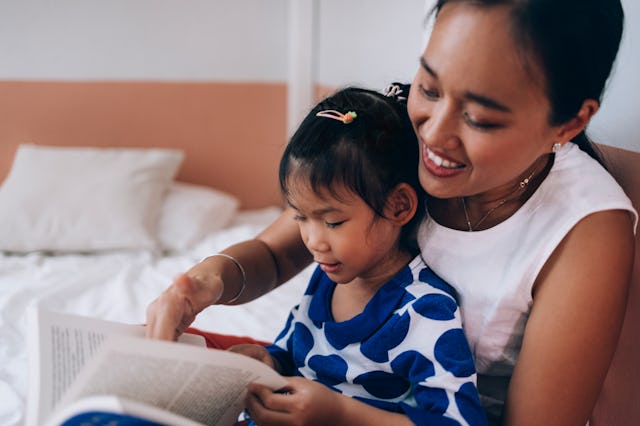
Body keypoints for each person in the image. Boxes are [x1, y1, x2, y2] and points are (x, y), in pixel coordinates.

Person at [146, 1, 638, 425]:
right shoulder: (391, 130)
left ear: (570, 121)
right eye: (429, 86)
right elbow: (276, 254)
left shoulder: (587, 231)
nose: (433, 133)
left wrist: (341, 416)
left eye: (480, 118)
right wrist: (202, 284)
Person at [226, 86, 487, 425]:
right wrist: (268, 362)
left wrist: (340, 414)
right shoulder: (327, 278)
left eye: (332, 221)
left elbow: (460, 421)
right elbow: (294, 354)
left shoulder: (423, 310)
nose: (313, 241)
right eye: (301, 218)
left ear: (398, 206)